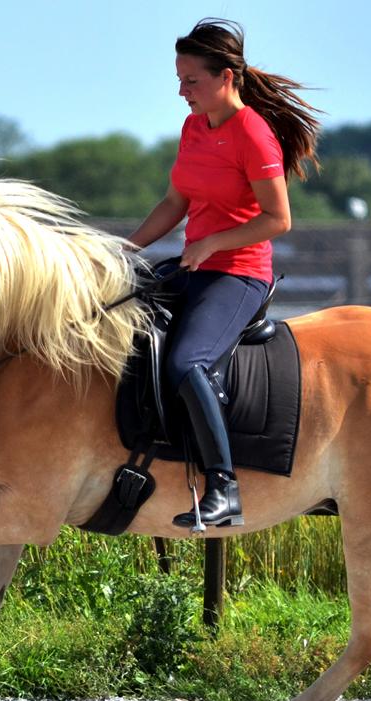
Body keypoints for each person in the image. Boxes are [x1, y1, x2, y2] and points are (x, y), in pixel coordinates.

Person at [128, 18, 321, 530]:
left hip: (239, 275)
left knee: (187, 363)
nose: (181, 90)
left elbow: (278, 219)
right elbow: (175, 201)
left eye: (191, 80)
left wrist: (213, 241)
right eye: (178, 79)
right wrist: (125, 250)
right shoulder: (194, 127)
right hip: (195, 265)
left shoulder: (254, 134)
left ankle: (224, 488)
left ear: (226, 77)